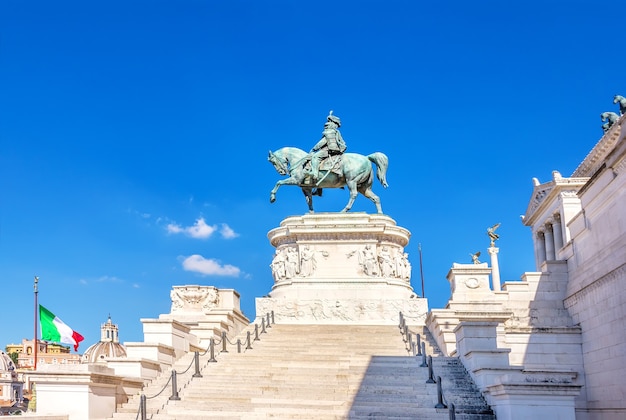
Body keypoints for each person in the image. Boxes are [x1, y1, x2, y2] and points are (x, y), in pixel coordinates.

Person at [309, 111, 347, 183]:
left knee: (315, 157)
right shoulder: (337, 132)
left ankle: (315, 175)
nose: (326, 126)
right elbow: (342, 142)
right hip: (337, 151)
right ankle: (319, 189)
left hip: (327, 150)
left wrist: (314, 149)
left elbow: (322, 142)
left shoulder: (328, 132)